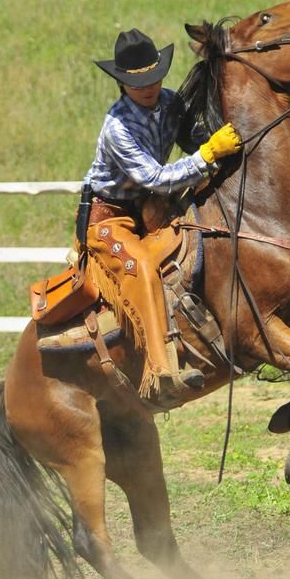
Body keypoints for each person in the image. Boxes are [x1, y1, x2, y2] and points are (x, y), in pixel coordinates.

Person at [82, 28, 242, 398]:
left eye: (155, 78)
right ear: (122, 85)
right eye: (140, 84)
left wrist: (221, 143)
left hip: (152, 209)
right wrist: (208, 155)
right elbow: (155, 178)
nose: (150, 88)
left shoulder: (171, 103)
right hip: (109, 218)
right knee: (139, 266)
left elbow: (194, 138)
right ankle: (160, 370)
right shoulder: (117, 128)